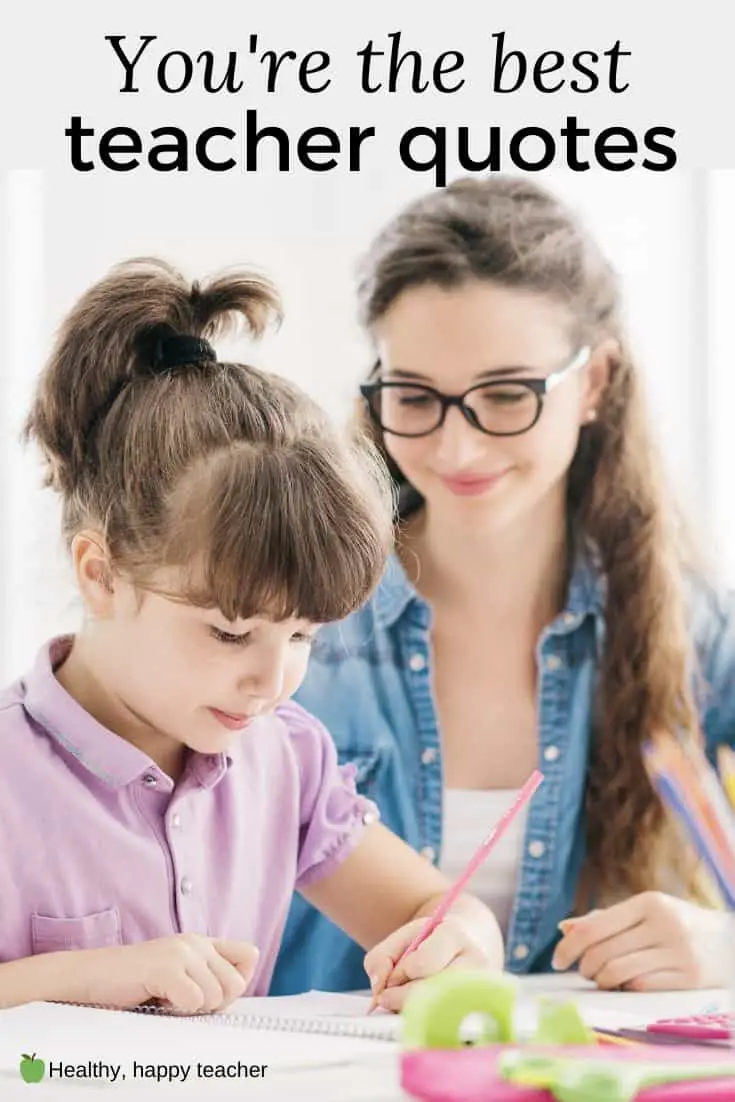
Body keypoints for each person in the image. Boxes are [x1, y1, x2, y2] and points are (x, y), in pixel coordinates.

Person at [272, 176, 735, 997]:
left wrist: (725, 946)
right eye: (413, 396)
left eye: (506, 395)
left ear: (592, 383)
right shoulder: (290, 622)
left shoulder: (698, 632)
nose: (456, 448)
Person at [0, 258, 503, 1013]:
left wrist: (458, 938)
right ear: (101, 574)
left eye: (302, 635)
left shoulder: (285, 758)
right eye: (230, 632)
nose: (272, 683)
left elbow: (422, 909)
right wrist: (76, 980)